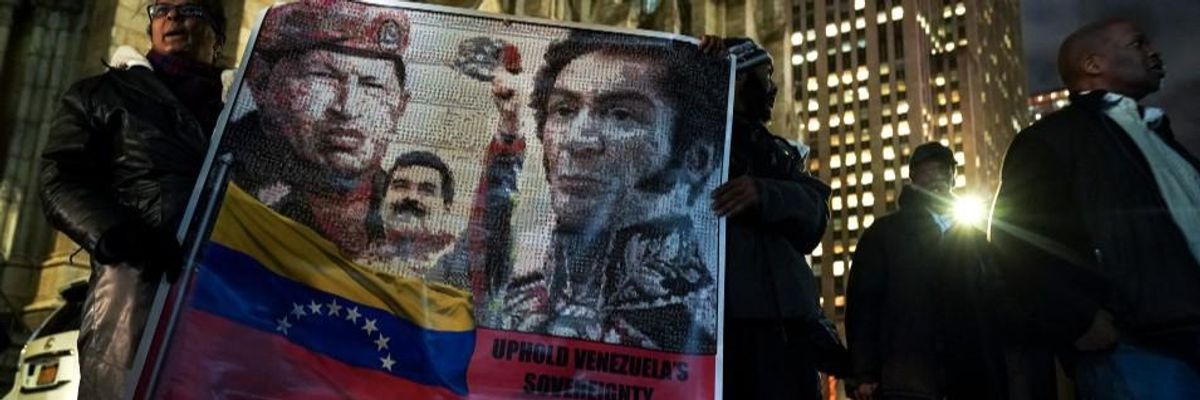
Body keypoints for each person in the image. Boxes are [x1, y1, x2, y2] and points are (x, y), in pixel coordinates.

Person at [473, 31, 727, 353]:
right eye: (564, 110)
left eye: (621, 115)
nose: (578, 141)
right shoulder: (515, 300)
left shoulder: (710, 326)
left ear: (696, 159)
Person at [991, 18, 1200, 398]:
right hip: (1137, 351)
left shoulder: (1163, 138)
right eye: (1138, 43)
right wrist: (1079, 319)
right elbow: (1014, 239)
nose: (1154, 51)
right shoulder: (1050, 140)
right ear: (1092, 65)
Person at [39, 0, 227, 398]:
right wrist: (119, 234)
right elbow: (59, 178)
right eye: (160, 8)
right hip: (133, 289)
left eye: (189, 7)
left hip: (224, 299)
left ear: (218, 36)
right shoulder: (101, 93)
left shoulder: (244, 115)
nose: (171, 16)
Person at [696, 36, 846, 400]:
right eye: (767, 75)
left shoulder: (779, 154)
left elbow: (815, 215)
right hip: (721, 331)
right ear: (743, 78)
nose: (773, 86)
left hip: (785, 333)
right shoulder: (698, 135)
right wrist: (700, 70)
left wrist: (765, 193)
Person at [225, 0, 411, 257]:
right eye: (324, 77)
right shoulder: (223, 183)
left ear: (400, 107)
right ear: (262, 84)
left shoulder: (409, 209)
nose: (347, 107)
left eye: (372, 85)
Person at [845, 142, 1008, 400]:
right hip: (907, 380)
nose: (936, 177)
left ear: (953, 178)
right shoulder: (884, 234)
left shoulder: (975, 239)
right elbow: (864, 306)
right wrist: (864, 373)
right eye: (927, 170)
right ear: (913, 178)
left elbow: (995, 306)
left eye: (943, 171)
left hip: (970, 378)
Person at [360, 151, 458, 279]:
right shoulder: (359, 257)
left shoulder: (458, 263)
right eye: (400, 186)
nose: (412, 196)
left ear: (446, 207)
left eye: (427, 190)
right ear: (384, 198)